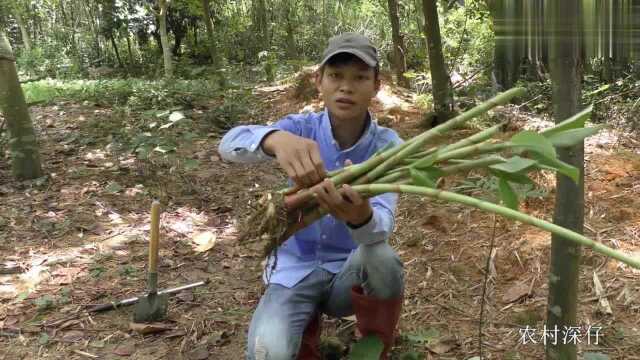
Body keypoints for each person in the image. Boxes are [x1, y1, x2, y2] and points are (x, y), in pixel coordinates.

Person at [218, 33, 404, 360]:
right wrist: (274, 139)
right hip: (293, 271)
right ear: (319, 80)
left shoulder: (388, 148)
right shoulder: (300, 128)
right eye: (335, 76)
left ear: (377, 85)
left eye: (360, 77)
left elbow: (383, 223)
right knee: (267, 354)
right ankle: (304, 336)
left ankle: (374, 347)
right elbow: (229, 143)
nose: (346, 87)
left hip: (347, 272)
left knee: (383, 259)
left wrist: (361, 217)